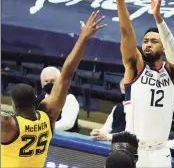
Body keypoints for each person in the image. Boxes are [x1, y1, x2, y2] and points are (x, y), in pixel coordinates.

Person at [1, 11, 107, 168]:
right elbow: (66, 74)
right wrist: (83, 38)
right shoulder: (48, 116)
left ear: (14, 105)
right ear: (35, 100)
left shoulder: (7, 124)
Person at [104, 0, 174, 168]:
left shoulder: (172, 71)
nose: (148, 44)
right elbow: (126, 33)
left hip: (160, 152)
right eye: (145, 41)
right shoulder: (136, 67)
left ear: (163, 46)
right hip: (133, 150)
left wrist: (158, 19)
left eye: (154, 41)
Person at [37, 66, 80, 132]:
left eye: (52, 81)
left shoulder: (69, 99)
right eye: (46, 81)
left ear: (60, 81)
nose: (49, 84)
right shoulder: (40, 98)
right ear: (42, 84)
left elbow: (67, 123)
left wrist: (42, 128)